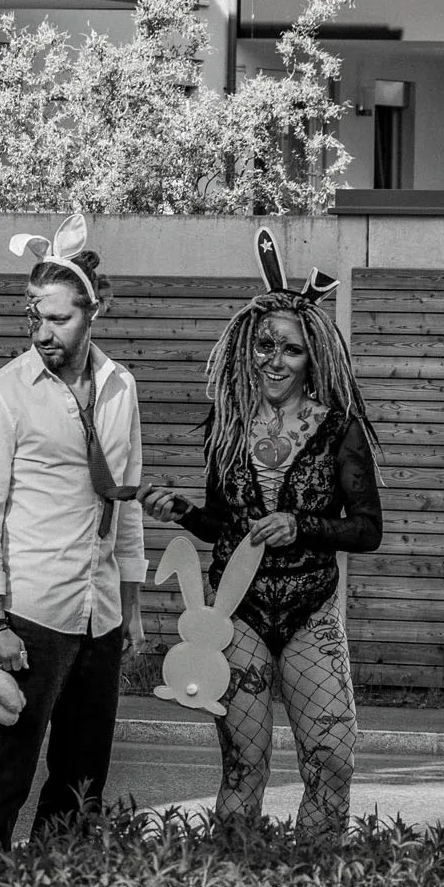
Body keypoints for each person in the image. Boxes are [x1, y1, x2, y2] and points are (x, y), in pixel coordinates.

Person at [142, 228, 382, 841]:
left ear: (313, 358)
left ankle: (317, 871)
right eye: (265, 346)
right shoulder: (227, 424)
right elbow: (222, 525)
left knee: (331, 758)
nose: (275, 360)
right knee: (243, 763)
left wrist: (302, 524)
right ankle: (234, 875)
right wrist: (181, 512)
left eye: (290, 350)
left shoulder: (339, 429)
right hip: (236, 614)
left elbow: (367, 530)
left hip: (310, 611)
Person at [0, 212, 147, 855]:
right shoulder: (1, 395)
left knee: (81, 780)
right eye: (34, 317)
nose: (42, 332)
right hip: (30, 612)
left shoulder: (120, 388)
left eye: (58, 319)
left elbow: (126, 499)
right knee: (4, 777)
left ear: (94, 312)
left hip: (101, 611)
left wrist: (131, 605)